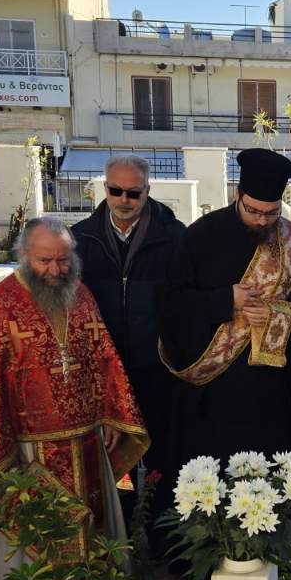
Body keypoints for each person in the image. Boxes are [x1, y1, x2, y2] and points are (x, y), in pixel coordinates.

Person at [0, 218, 149, 580]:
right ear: (23, 256)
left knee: (95, 543)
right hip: (25, 457)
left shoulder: (80, 295)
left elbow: (105, 361)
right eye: (44, 261)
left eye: (63, 260)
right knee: (31, 554)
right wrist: (1, 447)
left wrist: (112, 416)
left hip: (87, 447)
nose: (55, 270)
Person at [156, 148, 291, 464]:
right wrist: (224, 300)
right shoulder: (201, 236)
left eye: (271, 213)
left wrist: (278, 316)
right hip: (214, 391)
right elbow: (170, 303)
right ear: (238, 194)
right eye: (253, 211)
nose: (262, 220)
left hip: (269, 389)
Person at [71, 155, 185, 549]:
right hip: (104, 373)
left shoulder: (175, 237)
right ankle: (115, 543)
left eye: (132, 193)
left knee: (162, 456)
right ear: (104, 189)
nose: (123, 200)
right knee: (110, 460)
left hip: (157, 369)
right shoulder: (80, 238)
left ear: (147, 191)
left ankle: (162, 542)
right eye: (115, 190)